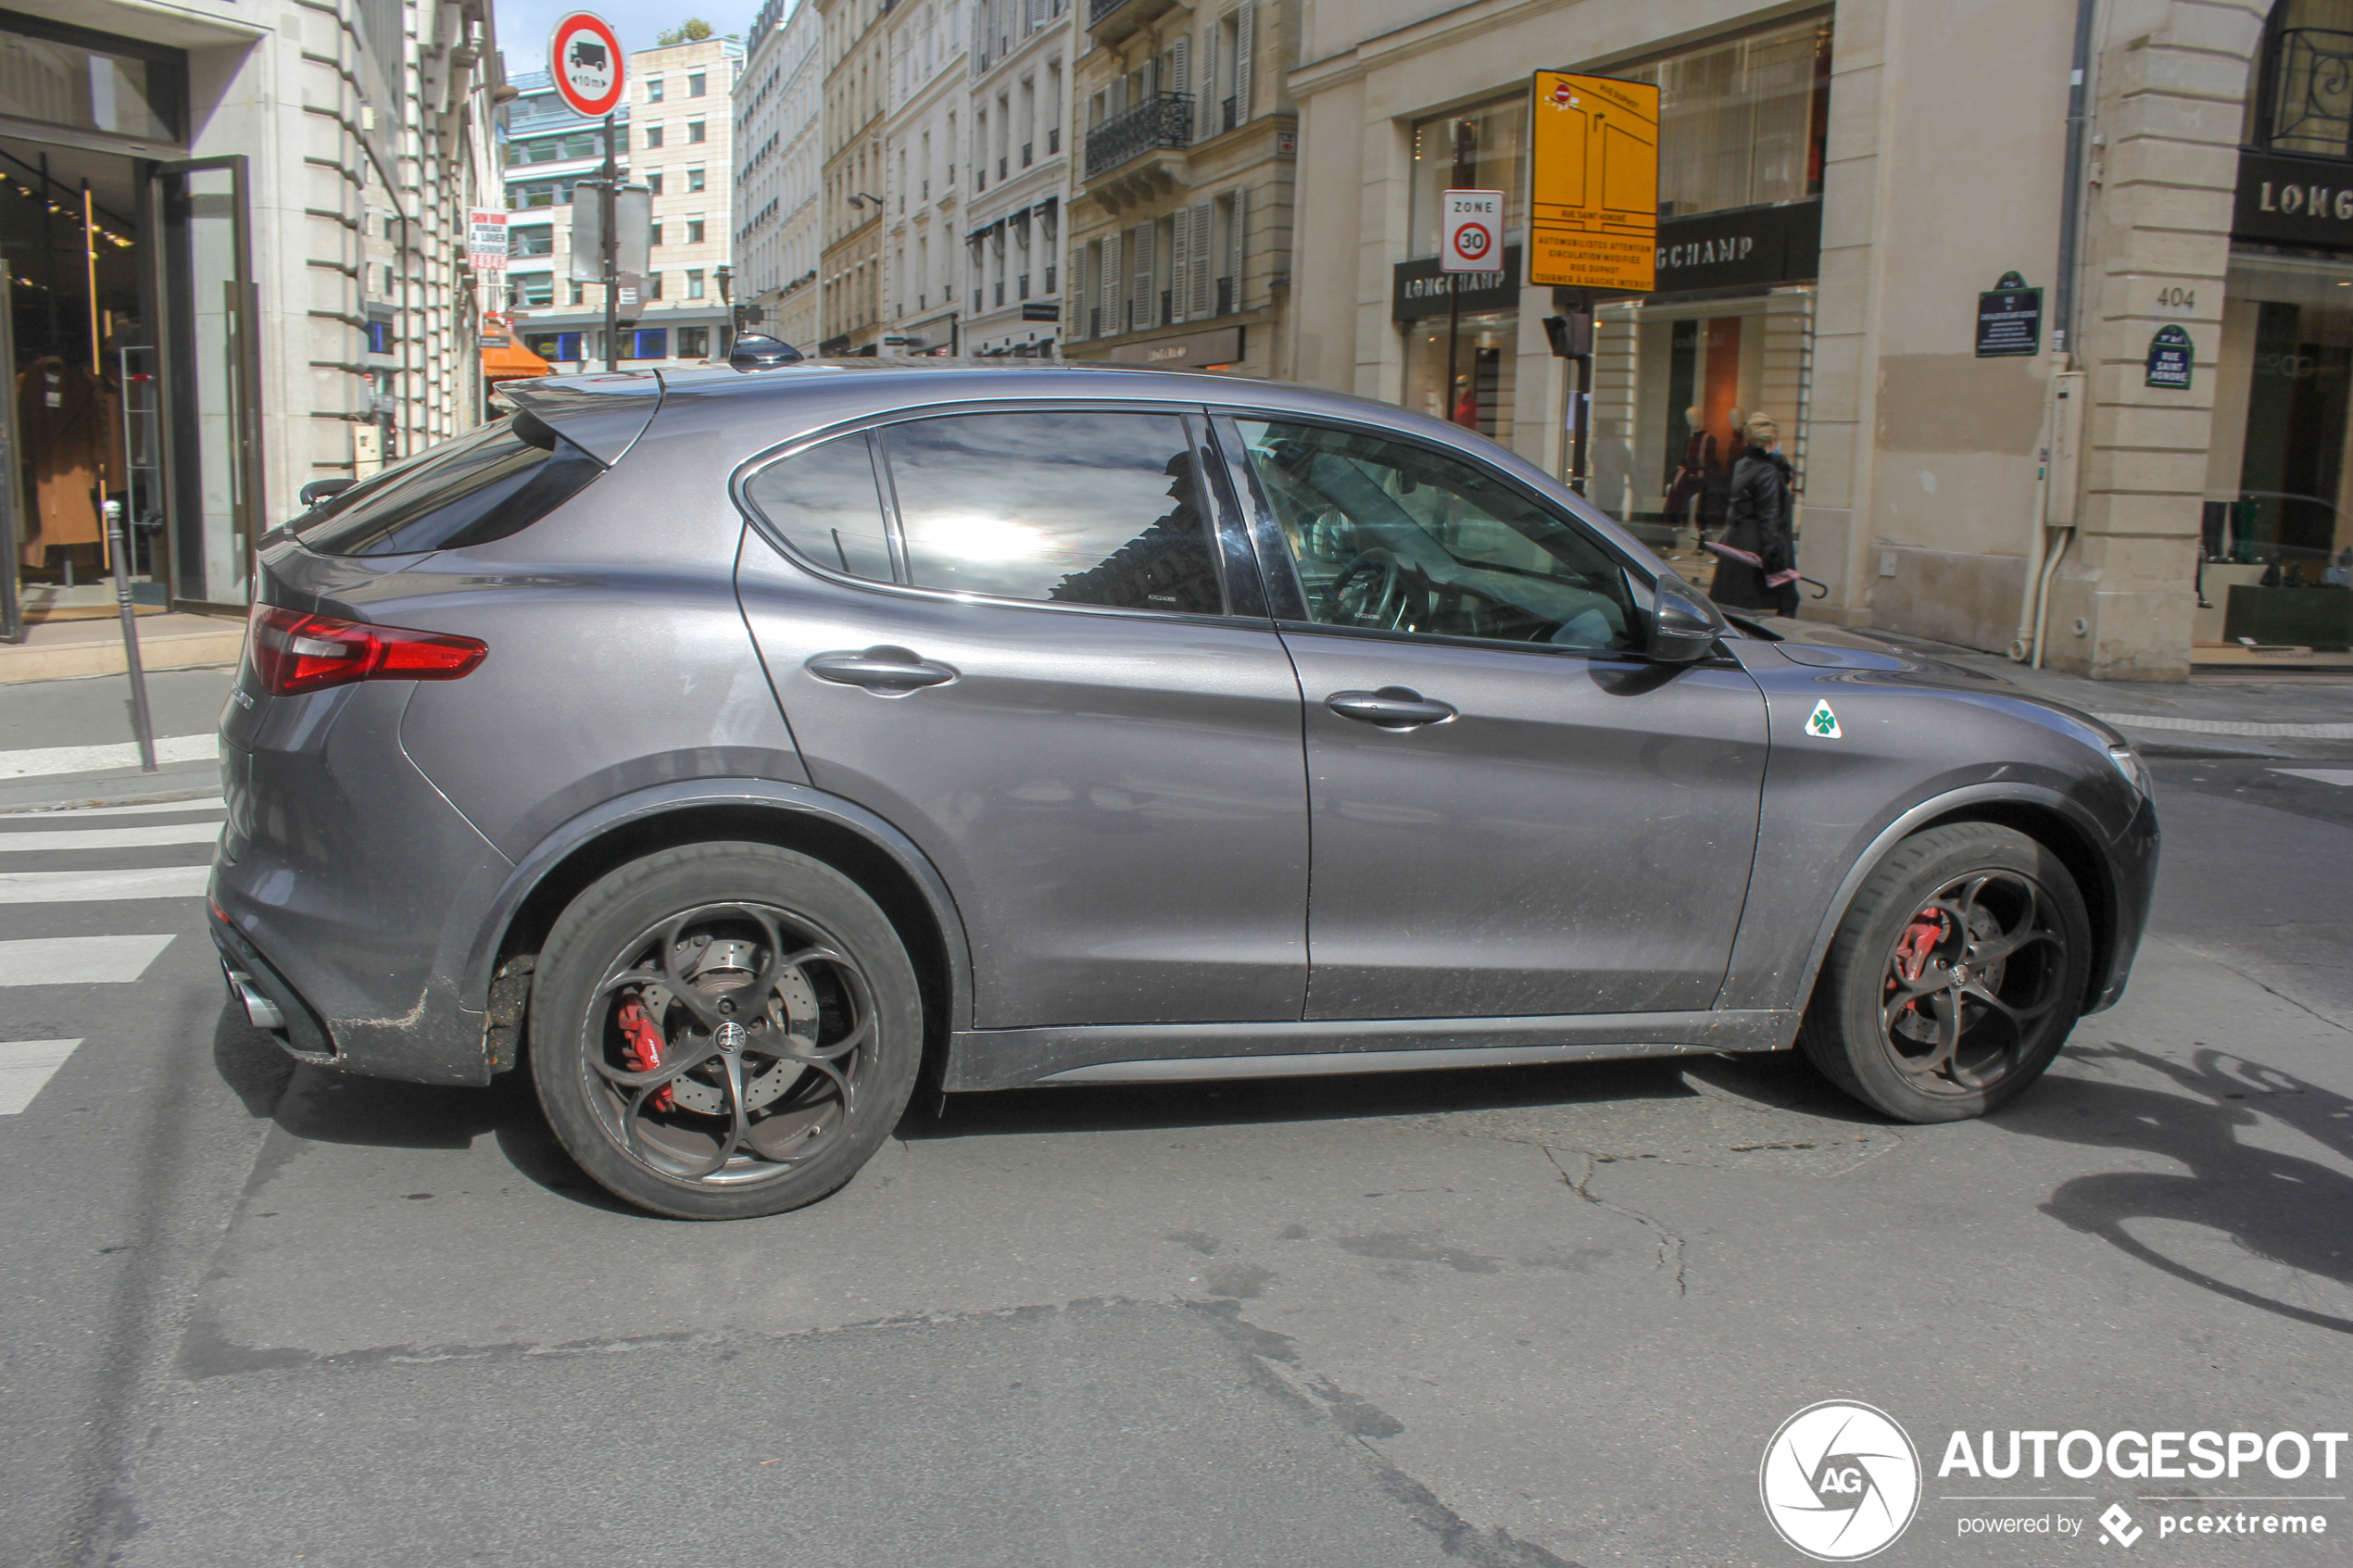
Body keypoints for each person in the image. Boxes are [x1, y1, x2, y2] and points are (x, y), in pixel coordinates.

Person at [1705, 413, 1801, 615]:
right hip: (1758, 548)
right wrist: (1773, 558)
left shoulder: (1743, 465)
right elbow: (1769, 516)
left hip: (1739, 544)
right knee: (1778, 609)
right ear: (1772, 442)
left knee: (1734, 608)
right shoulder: (1767, 472)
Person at [1662, 405, 1715, 548]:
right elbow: (1683, 462)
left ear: (1701, 418)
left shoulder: (1709, 440)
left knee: (1681, 492)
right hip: (1688, 478)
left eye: (1694, 417)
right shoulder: (1689, 441)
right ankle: (1670, 537)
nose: (1691, 421)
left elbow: (1710, 465)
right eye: (1689, 418)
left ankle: (1689, 532)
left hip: (1700, 480)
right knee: (1674, 493)